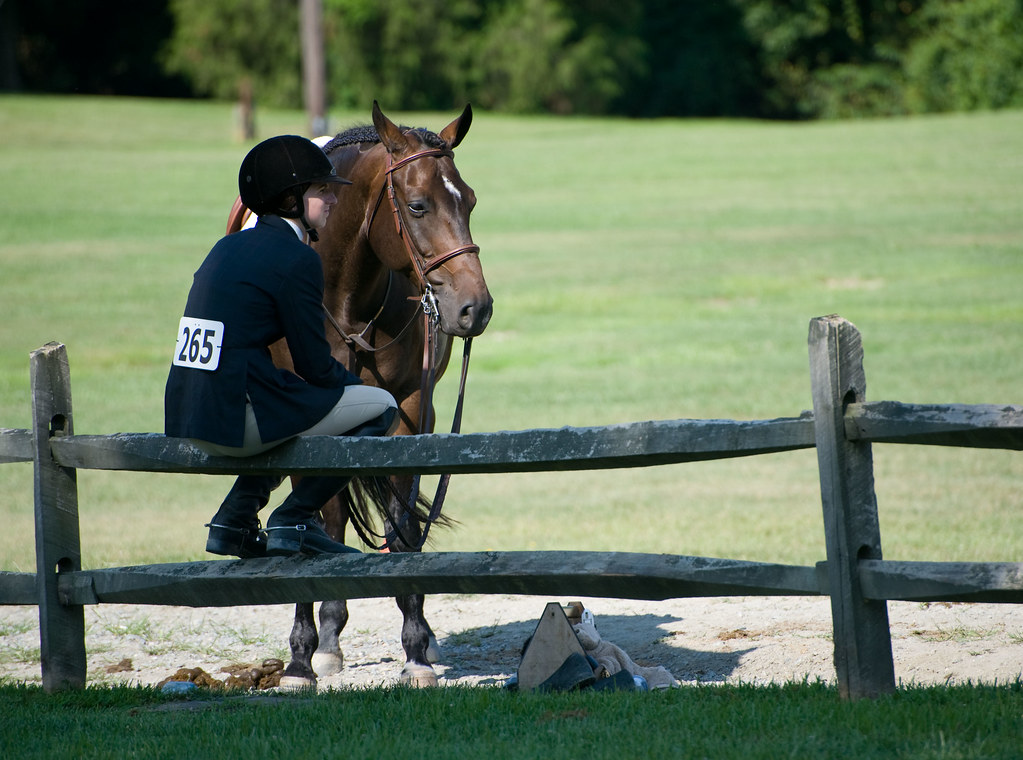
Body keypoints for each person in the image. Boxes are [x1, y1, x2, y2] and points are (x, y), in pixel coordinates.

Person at [164, 135, 398, 558]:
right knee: (381, 407)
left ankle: (233, 518)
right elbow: (315, 367)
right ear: (291, 199)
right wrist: (355, 390)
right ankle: (294, 517)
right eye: (321, 190)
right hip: (235, 423)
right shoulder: (297, 258)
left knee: (304, 414)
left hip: (189, 417)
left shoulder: (226, 246)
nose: (331, 199)